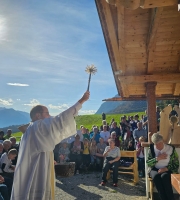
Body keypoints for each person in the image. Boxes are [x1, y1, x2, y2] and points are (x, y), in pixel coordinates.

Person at [11, 91, 90, 200]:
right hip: (37, 169)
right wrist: (82, 100)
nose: (49, 116)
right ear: (38, 115)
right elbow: (61, 119)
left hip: (38, 164)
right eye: (47, 112)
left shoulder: (32, 129)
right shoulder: (37, 126)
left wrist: (49, 157)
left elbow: (41, 148)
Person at [146, 133, 179, 200]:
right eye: (156, 144)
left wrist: (166, 168)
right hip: (154, 169)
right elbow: (148, 163)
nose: (157, 146)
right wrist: (158, 158)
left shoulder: (170, 149)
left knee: (165, 177)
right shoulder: (151, 149)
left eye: (159, 143)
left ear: (162, 141)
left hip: (167, 169)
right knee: (156, 177)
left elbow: (176, 163)